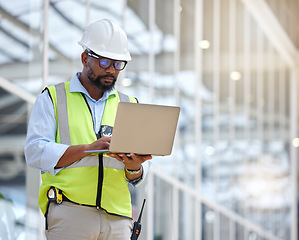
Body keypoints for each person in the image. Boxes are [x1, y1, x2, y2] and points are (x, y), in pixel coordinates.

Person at [24, 19, 152, 240]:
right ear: (85, 58)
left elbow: (140, 171)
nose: (111, 70)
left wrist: (135, 168)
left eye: (118, 64)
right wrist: (87, 149)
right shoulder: (53, 98)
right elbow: (35, 152)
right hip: (70, 213)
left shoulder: (130, 104)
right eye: (104, 62)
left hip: (118, 218)